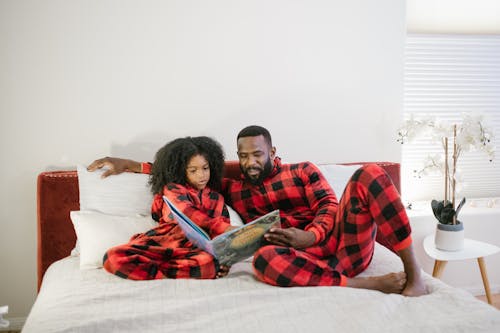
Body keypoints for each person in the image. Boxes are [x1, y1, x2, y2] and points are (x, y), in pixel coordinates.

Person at [89, 126, 427, 296]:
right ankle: (360, 286)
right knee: (263, 260)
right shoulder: (233, 186)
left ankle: (415, 276)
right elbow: (187, 169)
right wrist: (132, 165)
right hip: (304, 263)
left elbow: (329, 205)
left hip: (341, 245)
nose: (250, 162)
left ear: (272, 152)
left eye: (257, 155)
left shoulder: (303, 170)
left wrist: (310, 235)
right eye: (244, 156)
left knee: (369, 173)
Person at [102, 136, 233, 280]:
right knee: (113, 257)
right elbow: (186, 211)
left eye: (205, 168)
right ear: (181, 171)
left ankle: (159, 270)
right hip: (164, 241)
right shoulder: (173, 188)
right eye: (193, 170)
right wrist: (222, 227)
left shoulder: (217, 198)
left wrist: (224, 261)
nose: (201, 175)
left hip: (195, 248)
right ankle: (166, 269)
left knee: (208, 264)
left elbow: (223, 238)